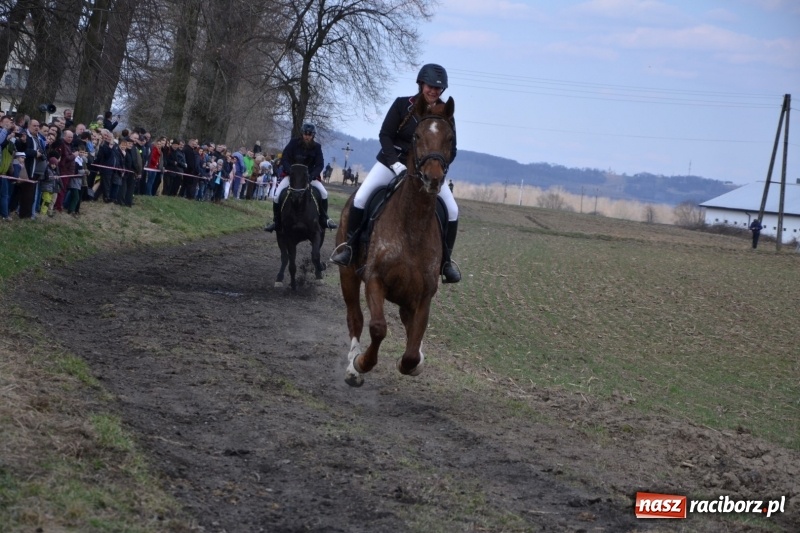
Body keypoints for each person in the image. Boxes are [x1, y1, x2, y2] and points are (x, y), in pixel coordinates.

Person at [330, 63, 461, 283]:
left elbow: (452, 149)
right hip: (393, 164)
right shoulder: (403, 105)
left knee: (453, 210)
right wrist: (394, 163)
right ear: (421, 84)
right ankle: (350, 248)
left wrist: (439, 169)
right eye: (430, 87)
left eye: (438, 89)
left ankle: (445, 262)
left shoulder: (445, 114)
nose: (434, 91)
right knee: (361, 198)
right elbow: (385, 135)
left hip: (426, 173)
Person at [264, 122, 338, 232]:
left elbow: (320, 164)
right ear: (302, 133)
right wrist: (290, 172)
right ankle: (276, 221)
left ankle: (324, 219)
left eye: (309, 134)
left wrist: (312, 175)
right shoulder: (293, 143)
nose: (307, 136)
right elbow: (285, 158)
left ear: (313, 135)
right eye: (305, 134)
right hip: (292, 176)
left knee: (324, 193)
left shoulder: (317, 147)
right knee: (276, 195)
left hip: (309, 178)